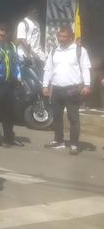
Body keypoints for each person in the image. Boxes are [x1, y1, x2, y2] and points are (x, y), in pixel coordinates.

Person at [43, 25, 91, 155]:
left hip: (73, 90)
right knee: (57, 116)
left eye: (64, 37)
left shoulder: (79, 50)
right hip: (57, 89)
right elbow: (48, 69)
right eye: (59, 36)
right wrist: (45, 85)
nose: (61, 39)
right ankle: (58, 140)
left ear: (71, 37)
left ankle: (74, 144)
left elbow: (85, 68)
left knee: (73, 117)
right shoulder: (54, 51)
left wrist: (87, 85)